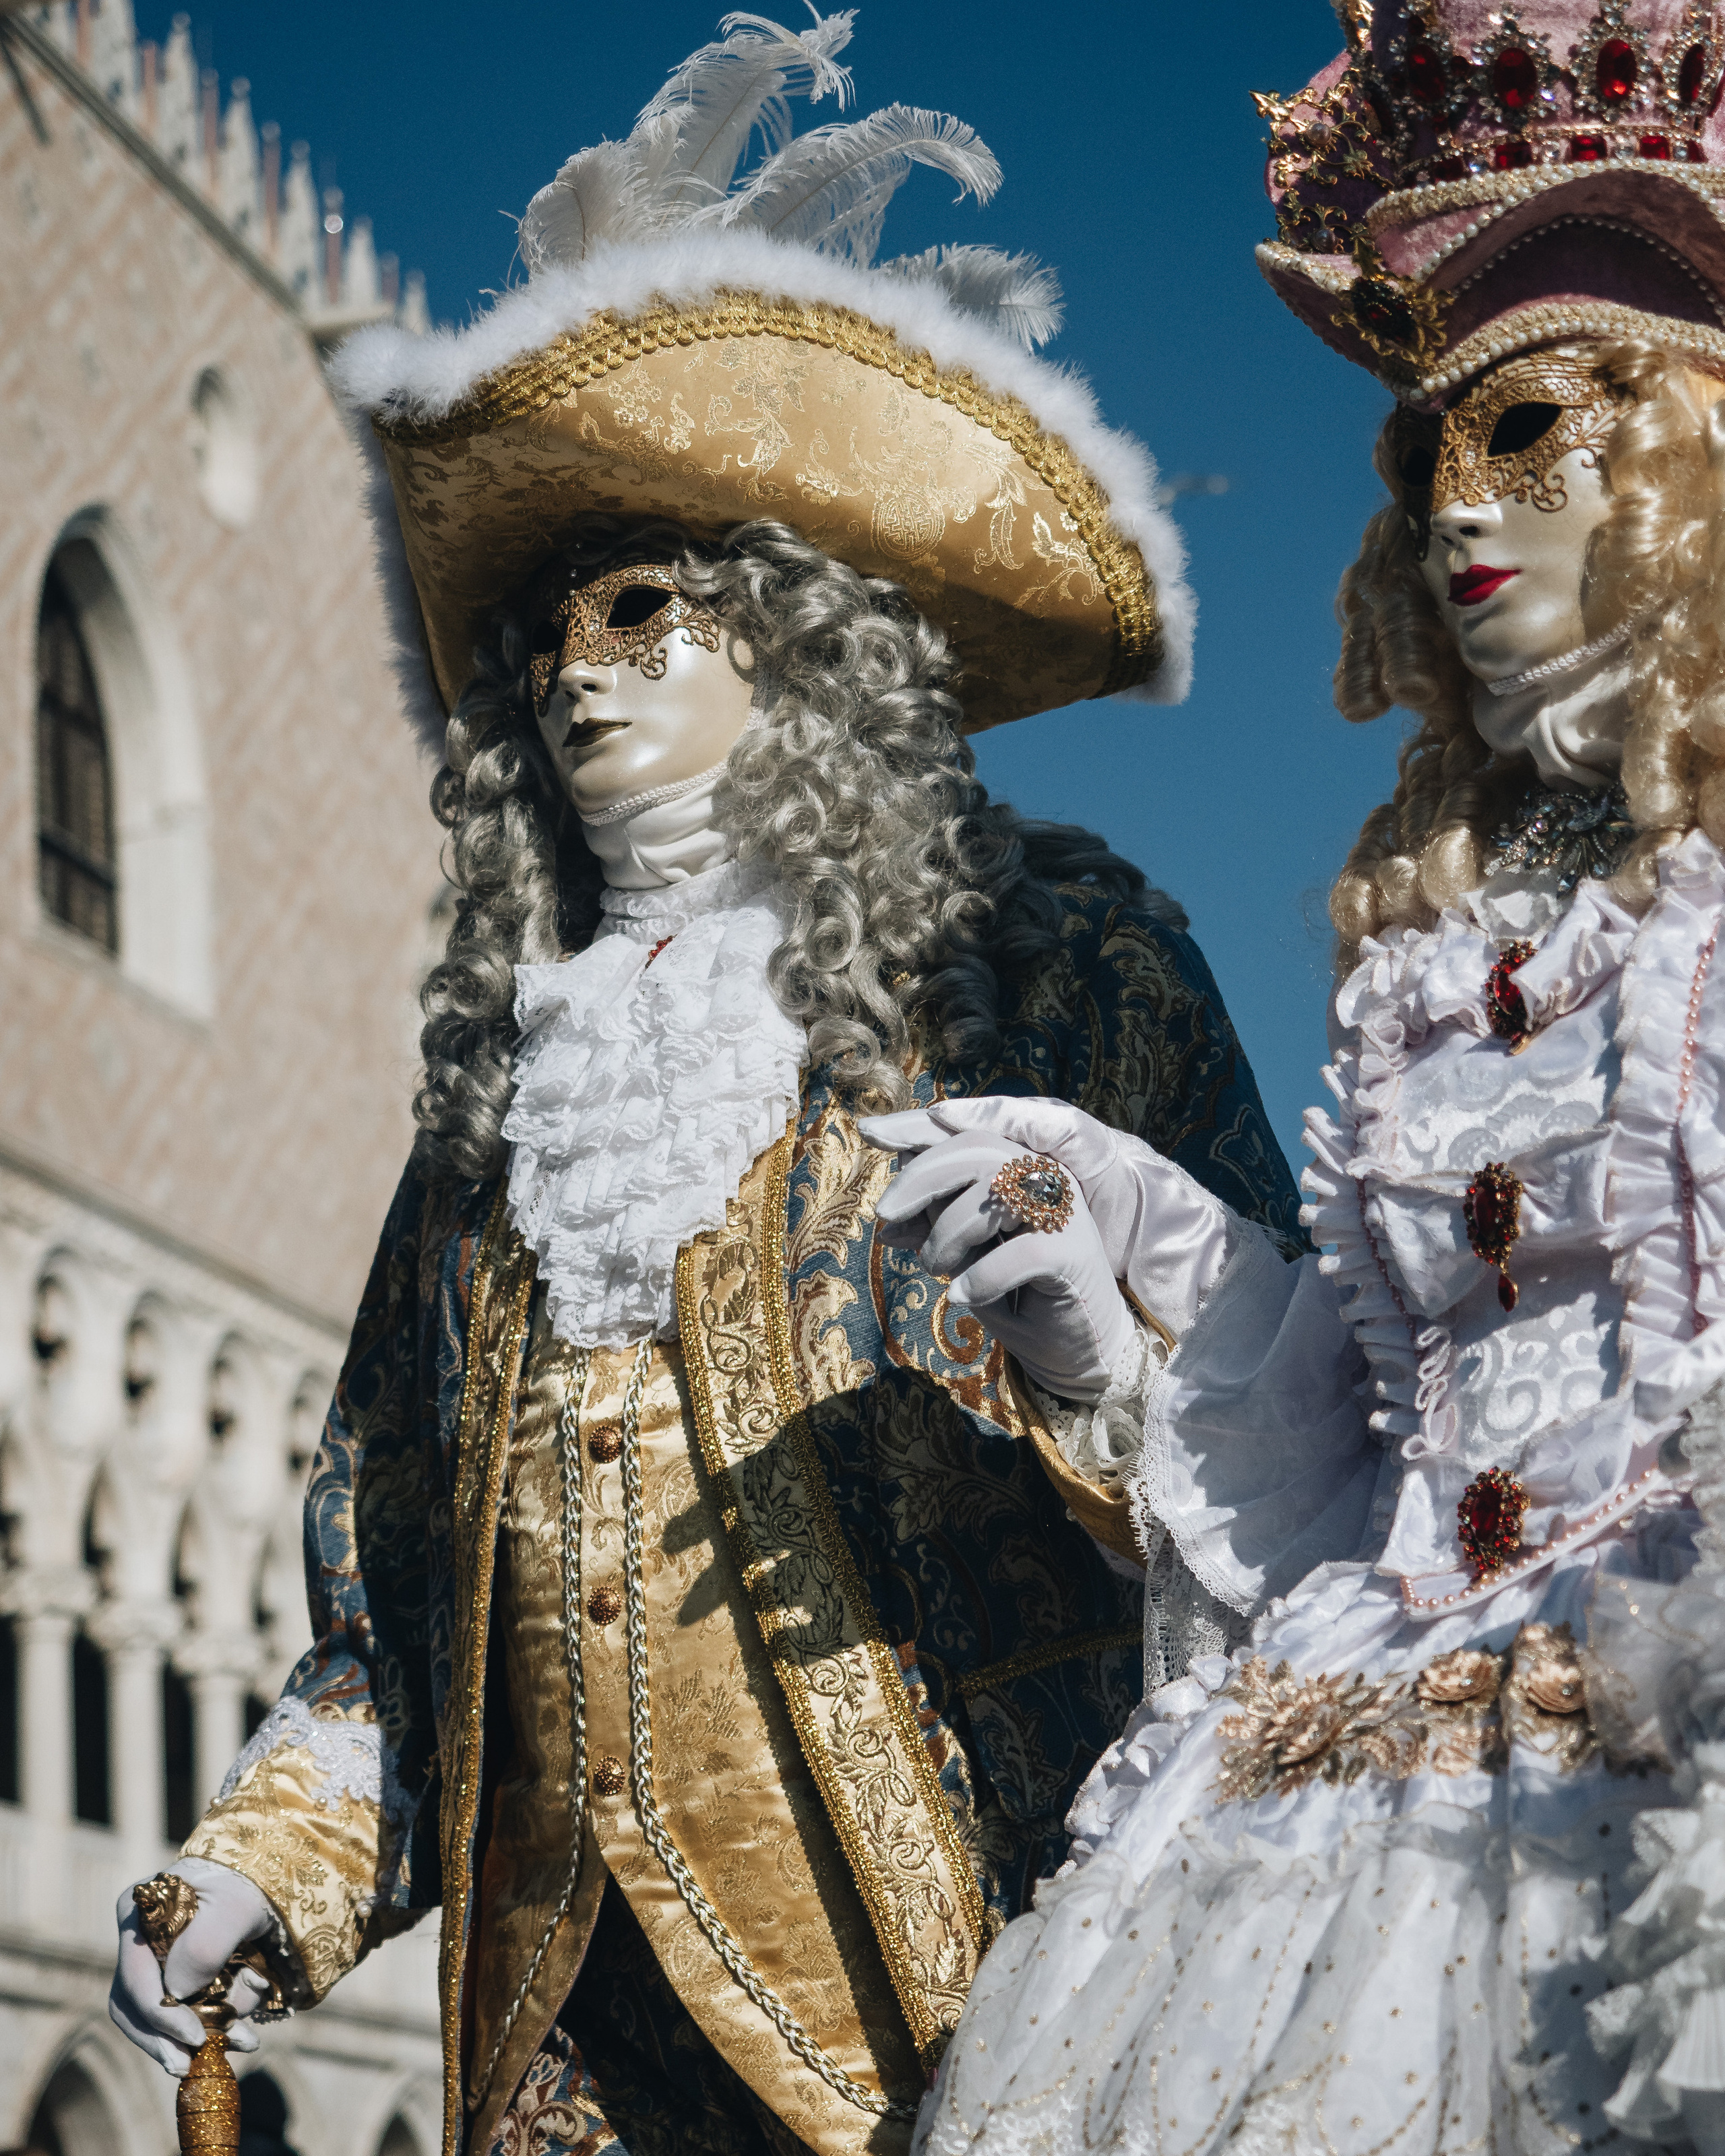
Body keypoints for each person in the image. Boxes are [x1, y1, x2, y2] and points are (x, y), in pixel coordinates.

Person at [104, 18, 1303, 2156]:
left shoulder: (1054, 965)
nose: (578, 669)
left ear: (802, 637)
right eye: (547, 634)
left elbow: (1303, 1468)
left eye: (647, 605)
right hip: (566, 2051)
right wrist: (264, 1870)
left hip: (971, 2001)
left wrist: (1098, 1375)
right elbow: (389, 1611)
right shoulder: (497, 1132)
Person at [910, 4, 1725, 2153]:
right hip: (1373, 1725)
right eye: (1425, 459)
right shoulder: (1420, 965)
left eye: (1531, 432)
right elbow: (1373, 1443)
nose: (1462, 507)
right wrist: (1122, 1258)